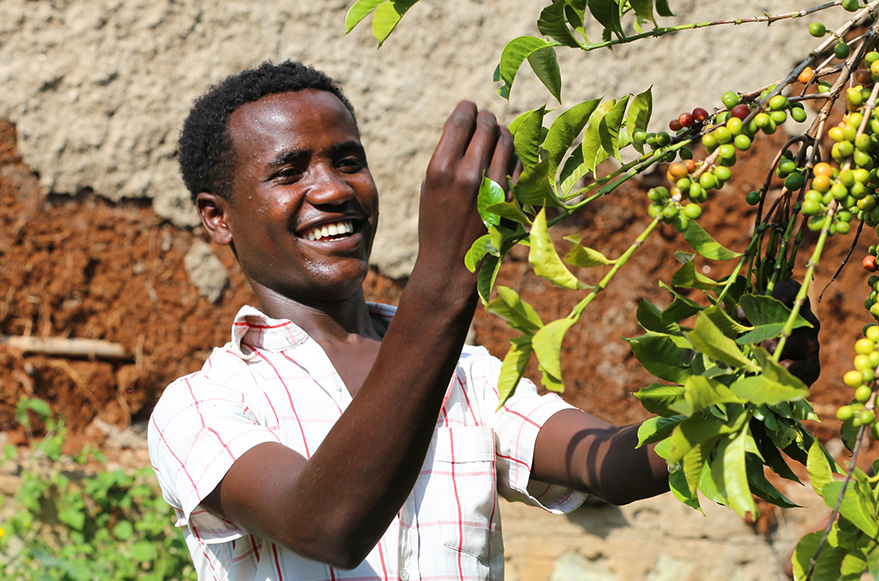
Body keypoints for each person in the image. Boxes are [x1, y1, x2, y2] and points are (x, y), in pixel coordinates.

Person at [147, 60, 819, 580]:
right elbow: (326, 525)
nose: (332, 188)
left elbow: (613, 465)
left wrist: (739, 385)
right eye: (290, 171)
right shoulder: (201, 407)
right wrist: (445, 275)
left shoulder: (464, 373)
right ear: (218, 216)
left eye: (348, 160)